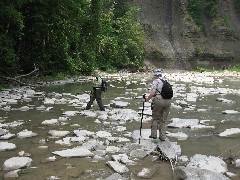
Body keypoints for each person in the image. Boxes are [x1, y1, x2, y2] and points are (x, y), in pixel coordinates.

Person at [143, 69, 171, 141]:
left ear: (155, 75)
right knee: (163, 120)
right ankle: (162, 136)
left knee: (155, 118)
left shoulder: (156, 81)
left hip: (159, 100)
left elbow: (152, 93)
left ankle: (154, 135)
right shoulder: (166, 81)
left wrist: (147, 99)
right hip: (168, 101)